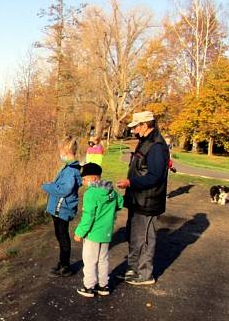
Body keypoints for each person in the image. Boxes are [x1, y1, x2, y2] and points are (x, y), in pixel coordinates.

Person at [116, 111, 170, 286]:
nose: (133, 130)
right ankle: (132, 269)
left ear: (145, 125)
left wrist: (130, 182)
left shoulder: (157, 146)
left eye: (136, 126)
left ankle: (145, 274)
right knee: (133, 235)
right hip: (137, 199)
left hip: (148, 201)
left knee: (146, 237)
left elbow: (155, 176)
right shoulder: (145, 142)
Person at [74, 163, 123, 297]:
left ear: (94, 179)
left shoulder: (90, 194)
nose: (83, 182)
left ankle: (89, 287)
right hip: (106, 233)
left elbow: (88, 217)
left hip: (92, 234)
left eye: (84, 179)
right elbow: (121, 203)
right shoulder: (111, 191)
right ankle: (103, 285)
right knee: (103, 260)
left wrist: (79, 232)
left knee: (90, 261)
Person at [41, 136, 82, 277]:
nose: (60, 154)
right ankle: (62, 263)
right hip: (60, 208)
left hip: (62, 209)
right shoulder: (69, 167)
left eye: (61, 151)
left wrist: (47, 186)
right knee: (60, 236)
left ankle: (65, 267)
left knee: (63, 237)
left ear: (66, 151)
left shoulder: (71, 171)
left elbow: (64, 190)